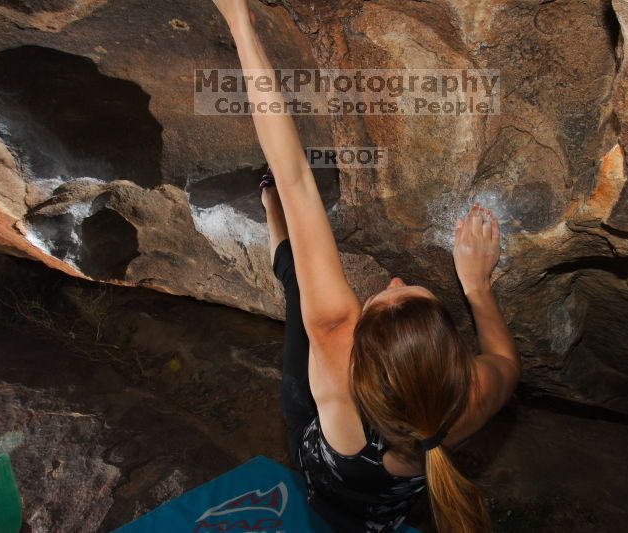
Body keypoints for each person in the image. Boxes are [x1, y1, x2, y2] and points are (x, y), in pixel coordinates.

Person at [212, 2, 521, 531]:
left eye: (387, 297)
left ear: (359, 360)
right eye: (414, 292)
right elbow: (508, 363)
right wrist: (478, 285)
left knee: (295, 281)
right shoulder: (468, 402)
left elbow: (295, 176)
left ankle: (268, 210)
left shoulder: (335, 351)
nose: (396, 280)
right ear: (454, 364)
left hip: (318, 451)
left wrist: (239, 20)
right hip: (379, 508)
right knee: (300, 292)